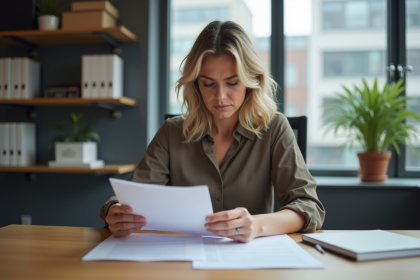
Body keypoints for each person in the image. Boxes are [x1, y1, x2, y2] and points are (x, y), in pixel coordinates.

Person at [100, 21, 325, 243]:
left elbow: (308, 206)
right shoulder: (172, 132)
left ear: (251, 81)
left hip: (251, 262)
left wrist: (257, 225)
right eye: (208, 84)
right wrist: (116, 212)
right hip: (183, 259)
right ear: (196, 84)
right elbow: (133, 197)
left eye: (232, 83)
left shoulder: (275, 128)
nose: (220, 97)